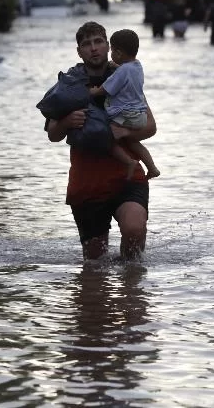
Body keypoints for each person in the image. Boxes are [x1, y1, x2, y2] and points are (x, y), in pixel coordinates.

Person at [45, 21, 156, 261]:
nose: (93, 48)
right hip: (87, 184)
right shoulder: (69, 84)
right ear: (79, 51)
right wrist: (67, 122)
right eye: (86, 44)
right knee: (95, 264)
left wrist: (125, 133)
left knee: (134, 232)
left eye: (98, 42)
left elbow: (150, 127)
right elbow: (53, 134)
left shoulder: (126, 74)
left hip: (127, 176)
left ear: (108, 46)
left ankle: (133, 289)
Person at [89, 29, 160, 180]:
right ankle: (152, 168)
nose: (111, 55)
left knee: (107, 138)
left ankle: (129, 162)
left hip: (126, 116)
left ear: (119, 53)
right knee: (133, 142)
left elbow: (108, 87)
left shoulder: (122, 71)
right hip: (139, 115)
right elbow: (126, 73)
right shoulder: (137, 66)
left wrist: (95, 92)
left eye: (113, 51)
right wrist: (117, 67)